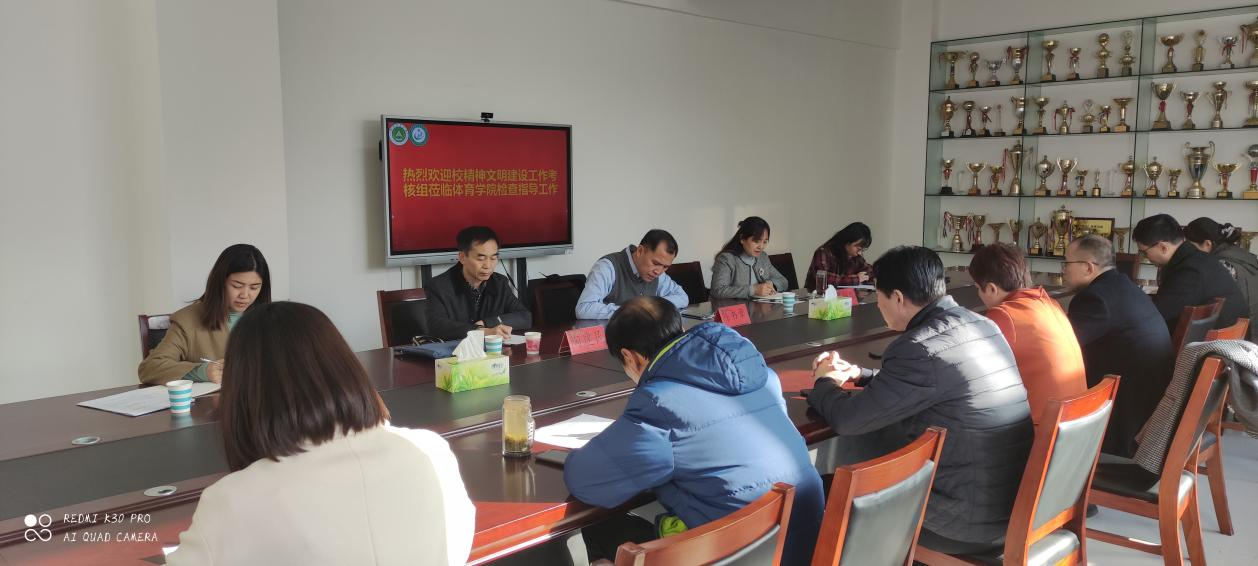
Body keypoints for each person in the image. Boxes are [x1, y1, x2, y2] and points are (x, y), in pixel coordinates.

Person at [165, 302, 475, 566]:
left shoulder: (234, 500)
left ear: (244, 393)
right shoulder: (431, 452)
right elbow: (456, 548)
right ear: (345, 366)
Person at [805, 246, 1032, 555]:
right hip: (1014, 508)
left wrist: (825, 381)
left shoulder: (917, 347)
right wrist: (860, 374)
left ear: (898, 298)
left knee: (826, 491)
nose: (878, 304)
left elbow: (848, 420)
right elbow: (938, 381)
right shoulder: (980, 323)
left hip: (963, 522)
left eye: (878, 296)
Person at [564, 296, 824, 565]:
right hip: (804, 547)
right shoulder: (761, 375)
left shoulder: (660, 403)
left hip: (737, 554)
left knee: (601, 527)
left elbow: (586, 481)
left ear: (630, 356)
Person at [1062, 235, 1174, 457]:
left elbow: (1061, 348)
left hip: (1124, 419)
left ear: (1088, 267)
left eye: (1066, 264)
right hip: (1149, 403)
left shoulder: (1095, 299)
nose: (1063, 271)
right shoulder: (1123, 286)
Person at [969, 243, 1086, 426]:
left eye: (977, 287)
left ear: (991, 288)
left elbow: (973, 374)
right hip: (1075, 425)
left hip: (1042, 430)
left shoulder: (1004, 314)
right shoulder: (1049, 303)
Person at [138, 244, 270, 385]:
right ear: (220, 282)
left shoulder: (269, 319)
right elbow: (150, 368)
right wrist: (202, 372)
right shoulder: (187, 321)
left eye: (254, 288)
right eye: (237, 286)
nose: (245, 295)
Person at [1132, 214, 1248, 332]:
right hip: (1217, 338)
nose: (1145, 257)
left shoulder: (1190, 271)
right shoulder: (1198, 259)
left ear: (1163, 248)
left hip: (1216, 342)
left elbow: (1155, 316)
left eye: (1144, 252)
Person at [425, 226, 531, 340]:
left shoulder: (499, 283)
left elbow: (525, 317)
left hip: (492, 349)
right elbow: (436, 326)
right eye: (481, 259)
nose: (488, 265)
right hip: (455, 350)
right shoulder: (438, 286)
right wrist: (480, 331)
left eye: (493, 258)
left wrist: (487, 323)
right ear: (462, 257)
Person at [575, 229, 689, 319]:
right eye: (655, 263)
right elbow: (584, 309)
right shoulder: (607, 267)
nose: (658, 271)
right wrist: (634, 310)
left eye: (665, 267)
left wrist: (654, 306)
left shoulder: (657, 272)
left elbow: (682, 297)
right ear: (640, 251)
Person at [1184, 217, 1258, 340]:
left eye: (1191, 247)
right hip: (1248, 332)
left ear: (1207, 244)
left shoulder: (1222, 264)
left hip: (1239, 339)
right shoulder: (1243, 256)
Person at [709, 216, 790, 299]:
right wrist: (753, 290)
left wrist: (772, 284)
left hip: (759, 306)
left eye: (765, 242)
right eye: (756, 241)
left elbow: (783, 281)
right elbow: (717, 291)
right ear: (742, 239)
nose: (761, 247)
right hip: (733, 307)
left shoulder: (763, 257)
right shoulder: (726, 259)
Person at [804, 222, 874, 292]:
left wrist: (864, 276)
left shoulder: (855, 256)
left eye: (862, 250)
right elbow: (824, 278)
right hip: (817, 297)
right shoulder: (823, 252)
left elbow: (870, 270)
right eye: (858, 248)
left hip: (844, 297)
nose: (860, 253)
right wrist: (856, 279)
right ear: (847, 241)